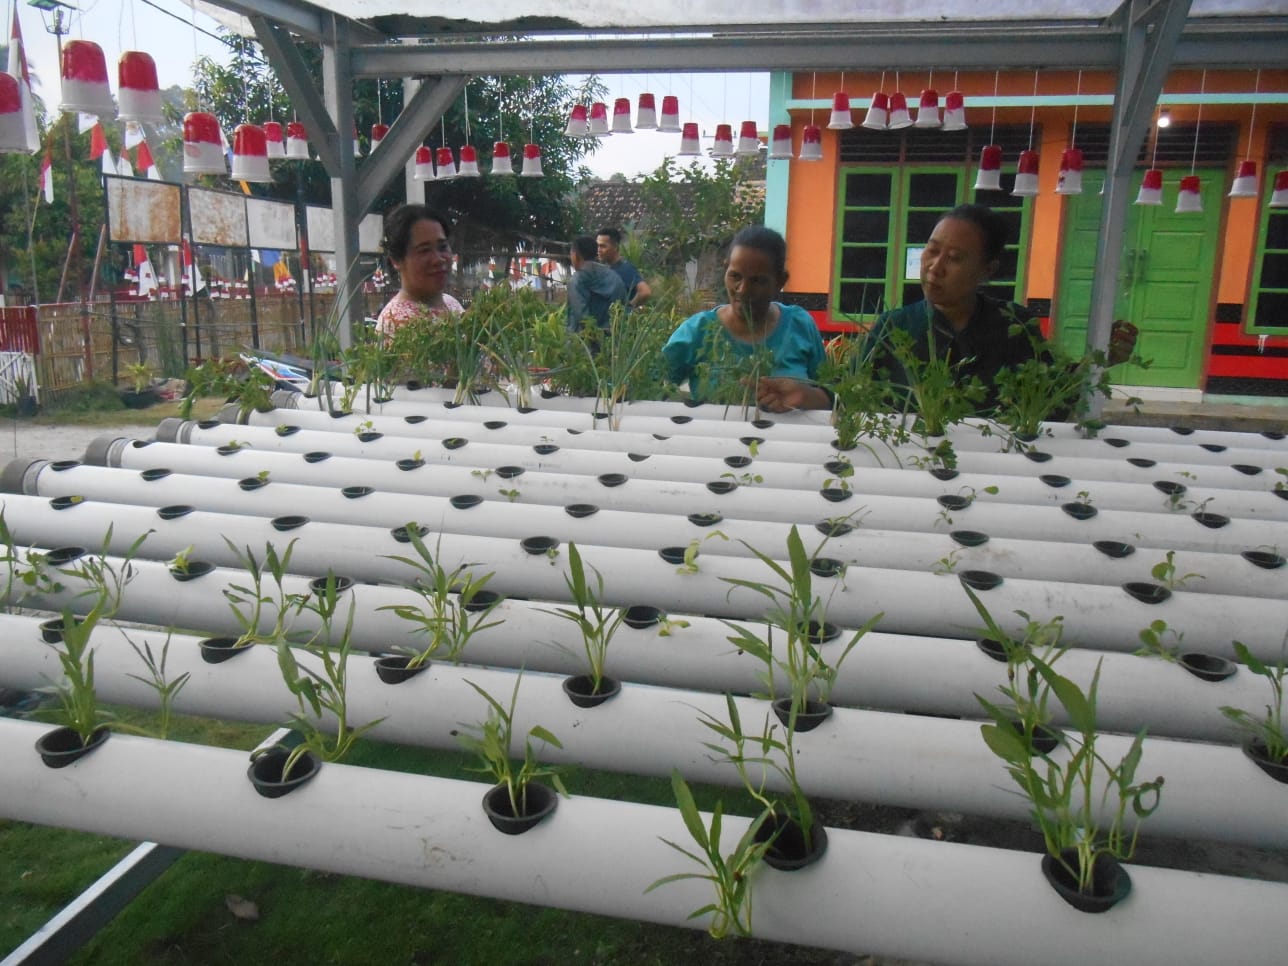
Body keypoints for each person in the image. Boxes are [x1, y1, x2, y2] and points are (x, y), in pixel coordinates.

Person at [663, 225, 831, 411]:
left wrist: (806, 396)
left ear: (780, 281)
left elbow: (834, 397)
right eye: (735, 276)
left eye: (757, 280)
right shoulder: (697, 331)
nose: (742, 289)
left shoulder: (799, 325)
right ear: (725, 270)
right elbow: (649, 388)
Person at [375, 205, 463, 340]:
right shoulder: (397, 323)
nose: (438, 259)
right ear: (396, 260)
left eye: (442, 247)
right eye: (424, 250)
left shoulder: (451, 303)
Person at [566, 234, 627, 334]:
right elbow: (623, 306)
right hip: (613, 339)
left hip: (585, 343)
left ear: (576, 255)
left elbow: (582, 317)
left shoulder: (577, 280)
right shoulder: (613, 275)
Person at [596, 226, 651, 308]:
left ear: (615, 247)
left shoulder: (625, 269)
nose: (599, 250)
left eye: (603, 246)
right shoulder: (607, 269)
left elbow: (645, 291)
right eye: (597, 246)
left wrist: (628, 308)